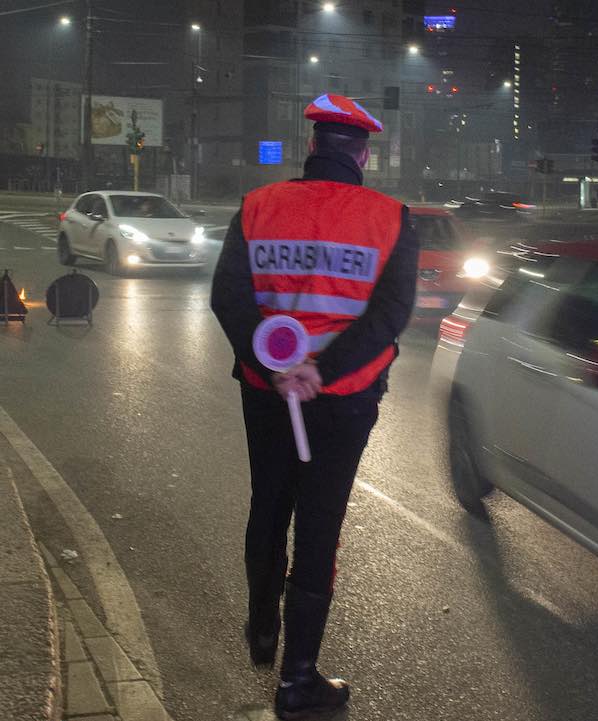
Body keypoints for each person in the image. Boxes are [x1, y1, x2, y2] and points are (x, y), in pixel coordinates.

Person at [210, 93, 418, 719]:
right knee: (319, 524)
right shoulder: (393, 217)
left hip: (266, 391)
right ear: (362, 154)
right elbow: (389, 316)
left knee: (268, 501)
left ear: (312, 147)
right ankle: (298, 679)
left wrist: (276, 366)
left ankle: (261, 626)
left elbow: (228, 297)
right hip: (343, 399)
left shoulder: (257, 206)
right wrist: (319, 371)